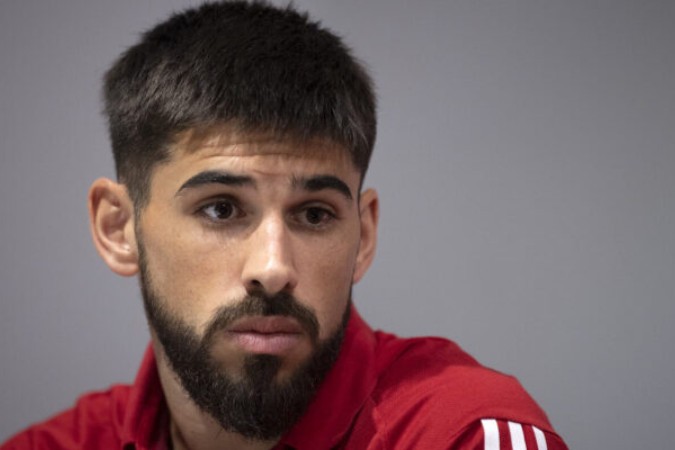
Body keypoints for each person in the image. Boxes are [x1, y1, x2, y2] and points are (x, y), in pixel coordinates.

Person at [2, 2, 568, 449]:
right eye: (221, 208)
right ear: (118, 227)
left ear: (363, 236)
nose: (273, 268)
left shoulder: (463, 436)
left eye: (315, 214)